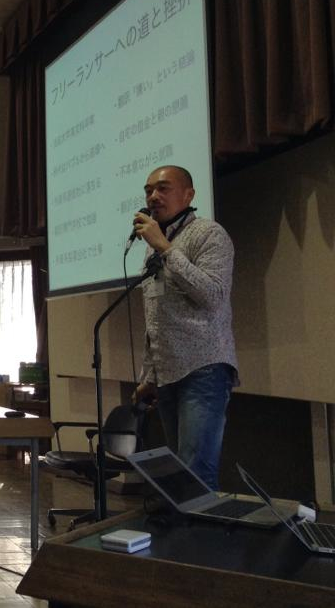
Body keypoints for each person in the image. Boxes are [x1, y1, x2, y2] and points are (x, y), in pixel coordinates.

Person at [132, 165, 238, 490]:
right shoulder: (154, 246)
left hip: (203, 369)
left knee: (195, 474)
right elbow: (157, 317)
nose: (153, 196)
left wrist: (166, 249)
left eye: (163, 188)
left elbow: (212, 295)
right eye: (148, 190)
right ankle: (182, 524)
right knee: (179, 474)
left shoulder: (209, 234)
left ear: (189, 195)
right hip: (167, 373)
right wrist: (149, 376)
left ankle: (198, 526)